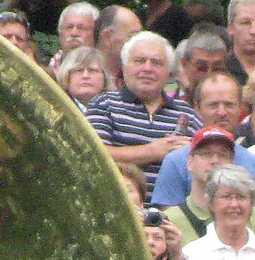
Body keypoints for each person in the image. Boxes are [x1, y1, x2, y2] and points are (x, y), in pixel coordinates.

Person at [84, 31, 199, 184]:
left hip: (170, 206)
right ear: (124, 68)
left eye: (157, 63)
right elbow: (92, 154)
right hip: (120, 204)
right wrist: (153, 151)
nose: (147, 68)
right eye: (139, 61)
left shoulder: (186, 114)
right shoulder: (104, 104)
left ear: (168, 72)